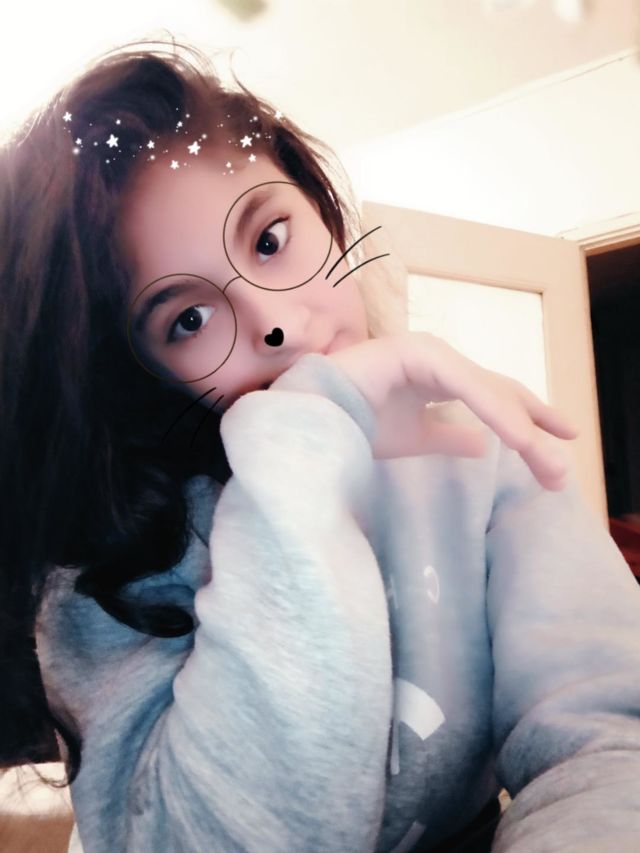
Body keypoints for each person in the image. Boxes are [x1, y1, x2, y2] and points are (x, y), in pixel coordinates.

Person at [1, 35, 639, 853]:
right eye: (188, 319)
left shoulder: (481, 451)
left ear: (322, 210)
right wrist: (307, 426)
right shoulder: (115, 564)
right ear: (135, 369)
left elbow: (607, 747)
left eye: (270, 240)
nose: (274, 322)